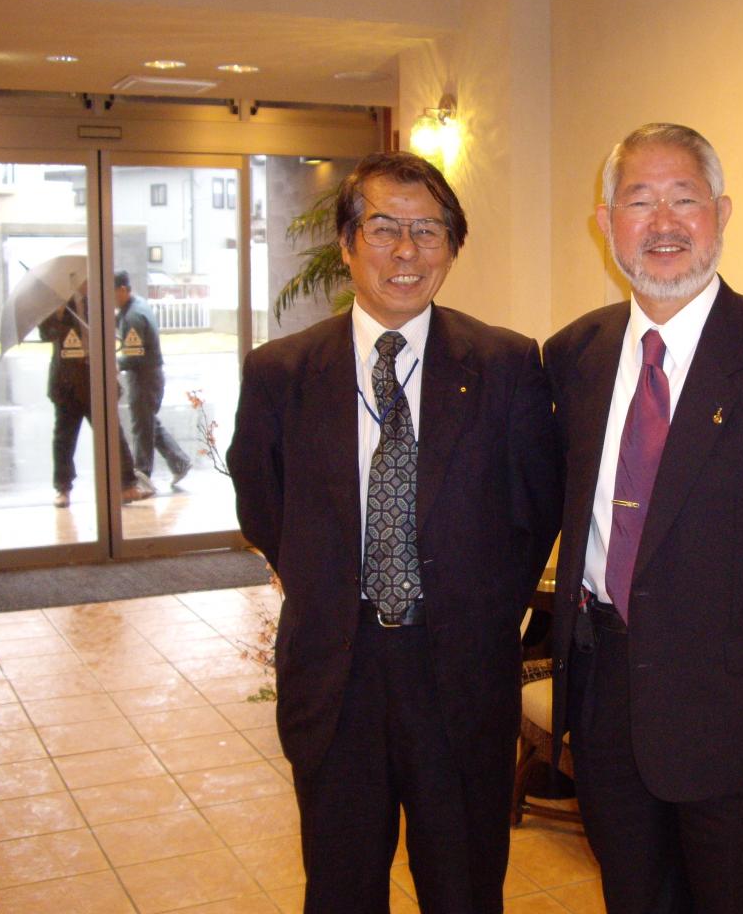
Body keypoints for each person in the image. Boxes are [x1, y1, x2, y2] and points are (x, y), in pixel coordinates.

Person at [543, 123, 743, 914]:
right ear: (605, 222)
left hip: (737, 715)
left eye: (684, 199)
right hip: (606, 696)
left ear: (721, 213)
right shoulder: (574, 354)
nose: (662, 223)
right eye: (639, 201)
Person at [226, 151, 560, 914]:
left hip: (461, 677)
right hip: (335, 675)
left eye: (428, 231)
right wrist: (325, 581)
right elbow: (262, 505)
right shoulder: (281, 372)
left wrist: (480, 609)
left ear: (452, 247)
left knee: (464, 888)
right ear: (347, 244)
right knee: (340, 889)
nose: (406, 251)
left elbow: (537, 507)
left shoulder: (506, 365)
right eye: (383, 229)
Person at [38, 289, 153, 508]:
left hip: (95, 379)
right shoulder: (57, 300)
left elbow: (109, 333)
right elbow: (46, 334)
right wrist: (58, 314)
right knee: (64, 437)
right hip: (66, 382)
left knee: (113, 432)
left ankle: (127, 485)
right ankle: (63, 488)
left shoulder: (97, 299)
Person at [114, 270, 192, 487]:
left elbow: (135, 355)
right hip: (150, 376)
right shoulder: (135, 306)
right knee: (147, 422)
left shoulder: (133, 316)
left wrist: (117, 364)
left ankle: (142, 475)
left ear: (122, 290)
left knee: (142, 427)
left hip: (144, 378)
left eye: (111, 293)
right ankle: (179, 462)